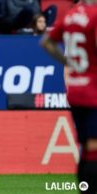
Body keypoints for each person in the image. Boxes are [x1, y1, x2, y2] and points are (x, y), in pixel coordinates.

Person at [41, 1, 97, 193]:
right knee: (93, 147)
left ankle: (84, 188)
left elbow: (46, 42)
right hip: (93, 91)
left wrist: (67, 62)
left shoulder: (70, 15)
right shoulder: (95, 15)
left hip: (75, 90)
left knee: (86, 147)